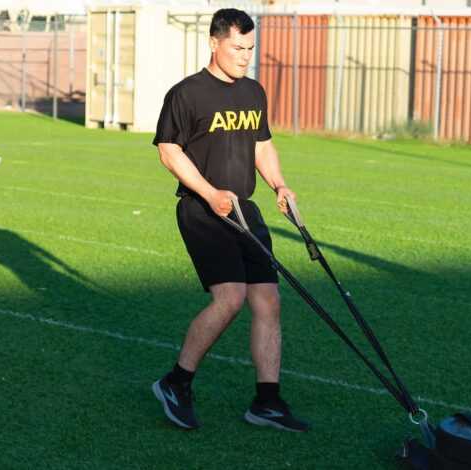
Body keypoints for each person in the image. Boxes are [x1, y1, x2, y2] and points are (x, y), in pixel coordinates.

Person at [150, 8, 308, 432]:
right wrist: (209, 192)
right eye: (237, 48)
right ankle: (176, 383)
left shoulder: (253, 92)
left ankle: (267, 402)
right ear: (215, 42)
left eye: (250, 48)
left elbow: (262, 146)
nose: (244, 56)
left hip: (245, 210)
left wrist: (280, 185)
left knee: (268, 301)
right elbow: (169, 150)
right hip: (202, 209)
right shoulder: (187, 94)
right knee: (231, 297)